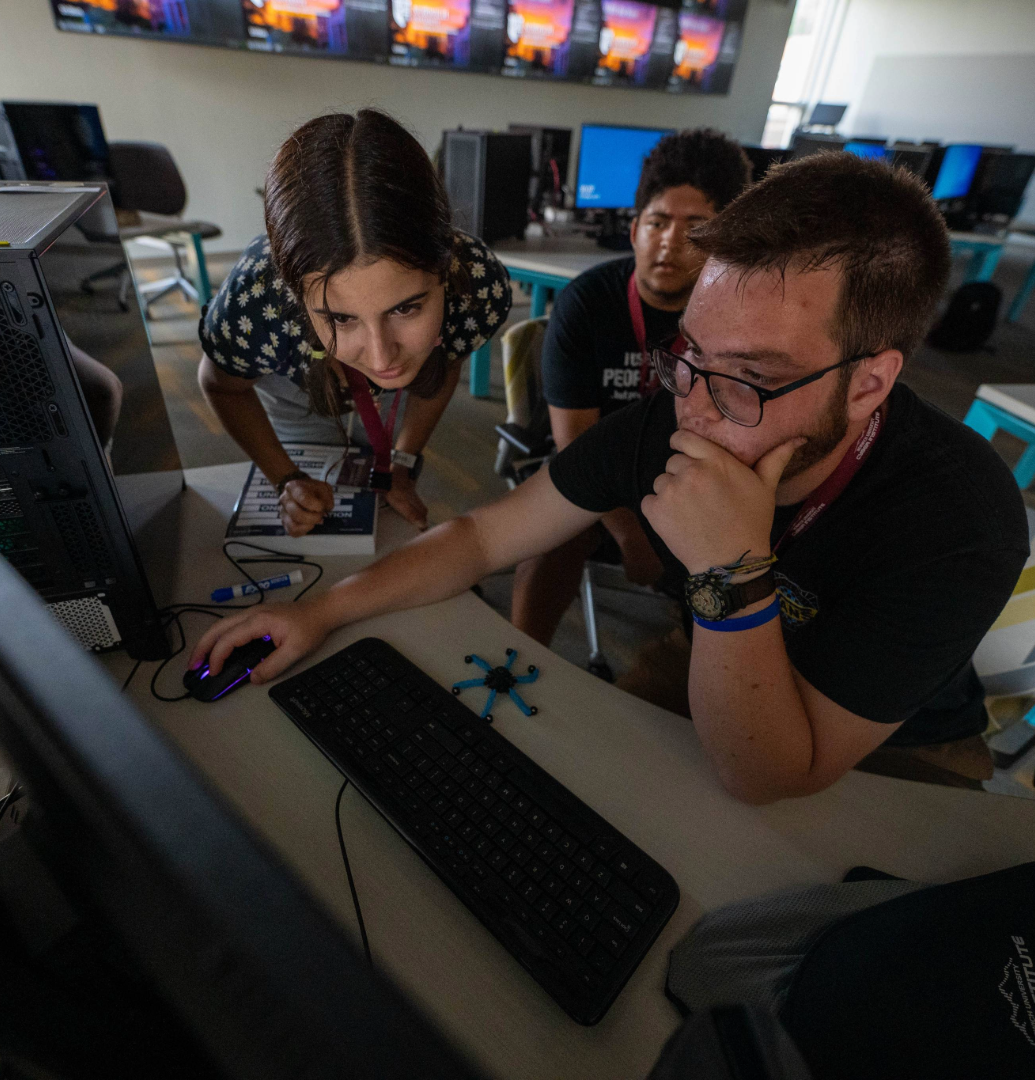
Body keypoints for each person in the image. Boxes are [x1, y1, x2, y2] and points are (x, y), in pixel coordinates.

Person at [189, 154, 1028, 804]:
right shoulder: (679, 414)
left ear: (872, 382)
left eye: (748, 377)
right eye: (689, 353)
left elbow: (778, 775)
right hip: (723, 643)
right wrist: (321, 610)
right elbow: (484, 536)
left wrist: (729, 574)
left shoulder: (961, 516)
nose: (693, 410)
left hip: (896, 746)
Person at [197, 110, 511, 534]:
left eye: (406, 309)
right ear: (293, 297)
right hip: (297, 393)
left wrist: (402, 461)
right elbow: (222, 385)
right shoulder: (256, 299)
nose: (383, 358)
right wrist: (286, 479)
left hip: (402, 405)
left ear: (444, 270)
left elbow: (446, 361)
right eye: (340, 318)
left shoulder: (475, 284)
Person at [512, 129, 752, 646]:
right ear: (635, 228)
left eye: (695, 227)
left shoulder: (739, 318)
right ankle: (521, 658)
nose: (669, 242)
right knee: (555, 528)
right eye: (658, 222)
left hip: (691, 476)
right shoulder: (587, 303)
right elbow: (576, 449)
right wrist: (630, 532)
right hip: (600, 476)